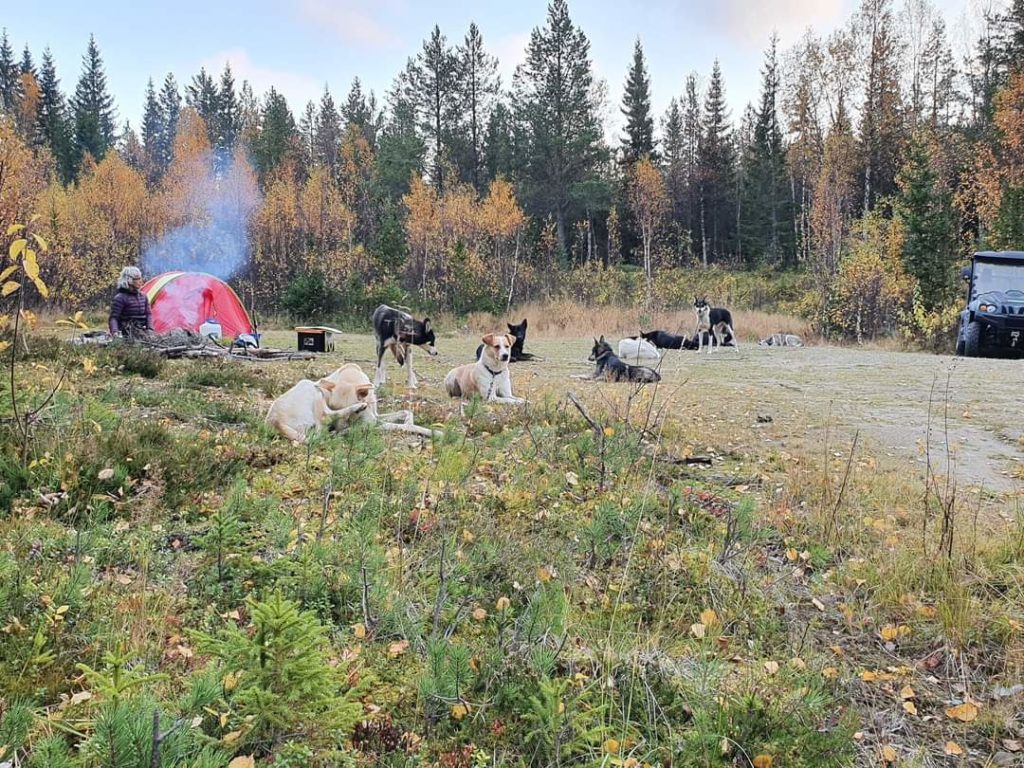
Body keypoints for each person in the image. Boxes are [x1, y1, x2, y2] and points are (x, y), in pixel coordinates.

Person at [108, 266, 153, 338]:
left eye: (140, 278)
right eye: (137, 279)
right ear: (129, 280)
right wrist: (115, 333)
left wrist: (150, 329)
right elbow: (114, 318)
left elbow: (148, 314)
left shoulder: (143, 296)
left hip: (142, 332)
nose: (140, 281)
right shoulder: (120, 298)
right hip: (127, 333)